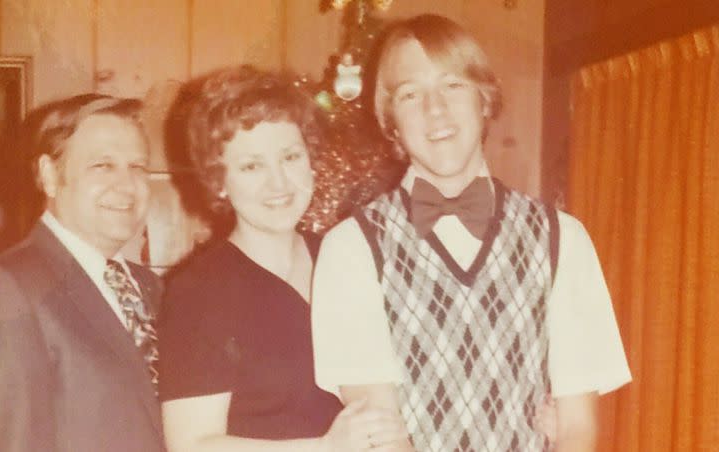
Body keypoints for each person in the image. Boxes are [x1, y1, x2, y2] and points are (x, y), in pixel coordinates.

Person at [311, 14, 632, 452]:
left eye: (453, 85)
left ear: (484, 100)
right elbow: (380, 438)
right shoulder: (350, 250)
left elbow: (578, 429)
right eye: (410, 94)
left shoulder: (564, 240)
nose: (434, 109)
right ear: (392, 123)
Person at [157, 66, 407, 452]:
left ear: (311, 160)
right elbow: (191, 444)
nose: (278, 183)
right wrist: (324, 448)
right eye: (252, 166)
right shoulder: (199, 290)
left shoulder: (343, 257)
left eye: (289, 157)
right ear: (219, 181)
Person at [0, 94, 165, 452]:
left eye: (138, 167)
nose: (127, 186)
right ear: (49, 175)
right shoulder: (5, 289)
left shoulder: (152, 289)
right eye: (103, 166)